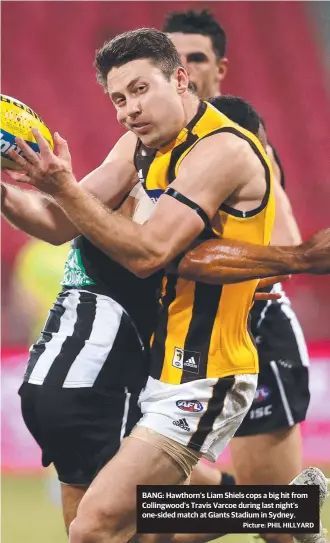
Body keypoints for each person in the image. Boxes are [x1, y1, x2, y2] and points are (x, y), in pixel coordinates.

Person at [5, 29, 330, 543]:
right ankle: (280, 510)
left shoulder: (223, 150)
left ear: (179, 79)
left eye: (139, 90)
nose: (128, 110)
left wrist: (63, 185)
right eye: (117, 98)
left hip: (208, 372)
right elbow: (59, 222)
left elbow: (148, 252)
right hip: (156, 363)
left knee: (93, 526)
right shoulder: (138, 144)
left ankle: (279, 511)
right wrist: (10, 186)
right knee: (137, 527)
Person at [163, 10, 317, 543]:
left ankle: (284, 515)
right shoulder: (151, 149)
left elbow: (287, 248)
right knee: (129, 505)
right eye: (172, 60)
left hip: (252, 330)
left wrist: (194, 260)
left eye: (196, 59)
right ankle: (269, 506)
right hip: (178, 334)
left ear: (219, 69)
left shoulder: (241, 140)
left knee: (276, 533)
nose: (184, 70)